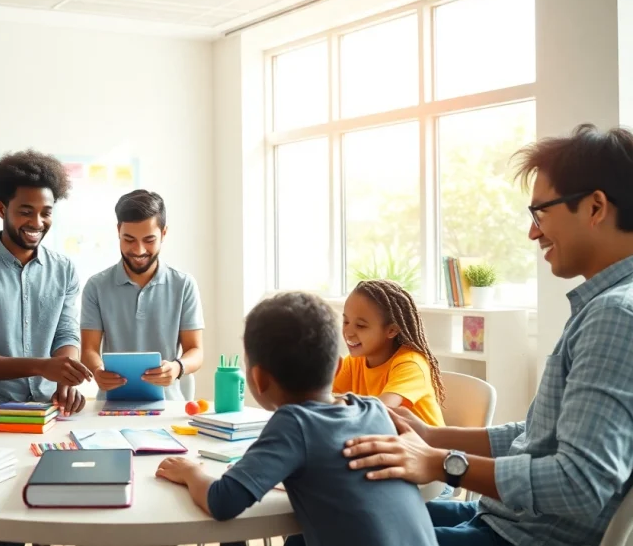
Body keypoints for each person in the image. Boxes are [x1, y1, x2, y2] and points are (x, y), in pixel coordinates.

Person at [342, 124, 633, 546]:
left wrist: (442, 463)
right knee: (338, 516)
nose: (533, 232)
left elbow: (580, 484)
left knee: (328, 526)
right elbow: (538, 434)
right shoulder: (605, 307)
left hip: (525, 536)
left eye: (541, 212)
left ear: (595, 207)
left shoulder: (615, 315)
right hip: (506, 519)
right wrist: (431, 436)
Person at [155, 292, 437, 546]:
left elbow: (223, 502)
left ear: (258, 378)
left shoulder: (294, 423)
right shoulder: (373, 409)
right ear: (338, 366)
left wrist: (190, 472)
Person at [0, 149, 92, 417]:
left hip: (51, 408)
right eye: (26, 212)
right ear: (2, 209)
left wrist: (65, 378)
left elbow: (66, 335)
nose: (37, 222)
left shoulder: (64, 269)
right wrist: (40, 366)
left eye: (45, 213)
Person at [80, 190, 204, 400]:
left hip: (169, 408)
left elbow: (196, 351)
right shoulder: (96, 286)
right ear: (118, 231)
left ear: (164, 234)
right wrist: (98, 370)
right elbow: (88, 351)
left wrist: (177, 368)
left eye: (149, 240)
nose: (138, 250)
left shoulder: (183, 284)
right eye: (129, 239)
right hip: (111, 406)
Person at [336, 279, 446, 427]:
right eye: (346, 322)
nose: (348, 332)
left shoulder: (411, 364)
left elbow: (382, 410)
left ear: (392, 330)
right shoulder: (353, 363)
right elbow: (321, 397)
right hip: (389, 444)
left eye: (360, 326)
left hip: (426, 447)